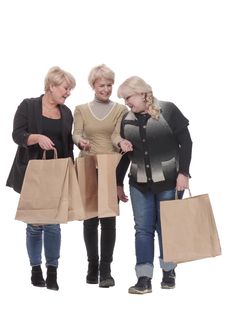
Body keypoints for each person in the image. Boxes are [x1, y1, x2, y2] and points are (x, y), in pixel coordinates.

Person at [116, 76, 192, 294]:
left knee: (166, 227)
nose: (126, 103)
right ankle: (144, 278)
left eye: (128, 97)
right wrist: (117, 182)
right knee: (142, 230)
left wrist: (183, 173)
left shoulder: (168, 110)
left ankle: (168, 272)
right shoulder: (126, 119)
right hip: (139, 184)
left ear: (142, 93)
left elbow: (186, 143)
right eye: (123, 99)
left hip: (169, 180)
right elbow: (125, 155)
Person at [6, 66, 76, 291]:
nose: (68, 93)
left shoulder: (66, 113)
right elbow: (18, 135)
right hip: (32, 174)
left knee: (54, 225)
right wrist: (36, 138)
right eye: (66, 88)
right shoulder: (28, 106)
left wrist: (71, 171)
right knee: (35, 225)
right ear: (51, 86)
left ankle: (53, 271)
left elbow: (66, 145)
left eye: (70, 89)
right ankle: (36, 269)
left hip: (56, 174)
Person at [72, 64, 128, 288]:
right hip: (87, 164)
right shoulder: (81, 109)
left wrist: (121, 142)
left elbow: (115, 136)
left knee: (108, 220)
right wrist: (80, 141)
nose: (106, 89)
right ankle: (92, 266)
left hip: (109, 166)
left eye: (109, 85)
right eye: (101, 85)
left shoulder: (120, 110)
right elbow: (77, 133)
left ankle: (106, 270)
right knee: (89, 220)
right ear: (93, 85)